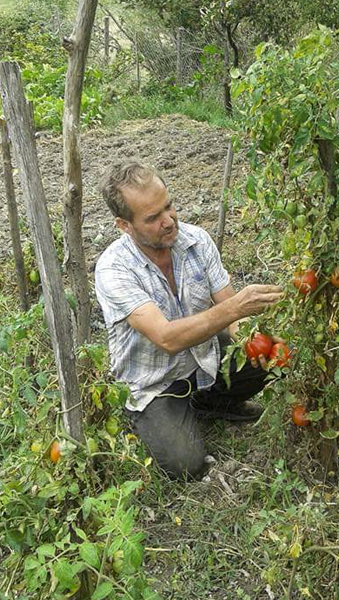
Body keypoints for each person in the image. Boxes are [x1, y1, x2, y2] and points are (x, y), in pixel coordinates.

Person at [95, 161, 283, 479]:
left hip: (202, 359)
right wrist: (237, 308)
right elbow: (167, 338)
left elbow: (233, 318)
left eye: (168, 206)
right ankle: (154, 418)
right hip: (155, 383)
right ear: (125, 225)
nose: (168, 221)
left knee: (265, 359)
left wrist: (266, 348)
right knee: (186, 465)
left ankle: (211, 402)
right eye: (153, 218)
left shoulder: (196, 241)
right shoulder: (114, 269)